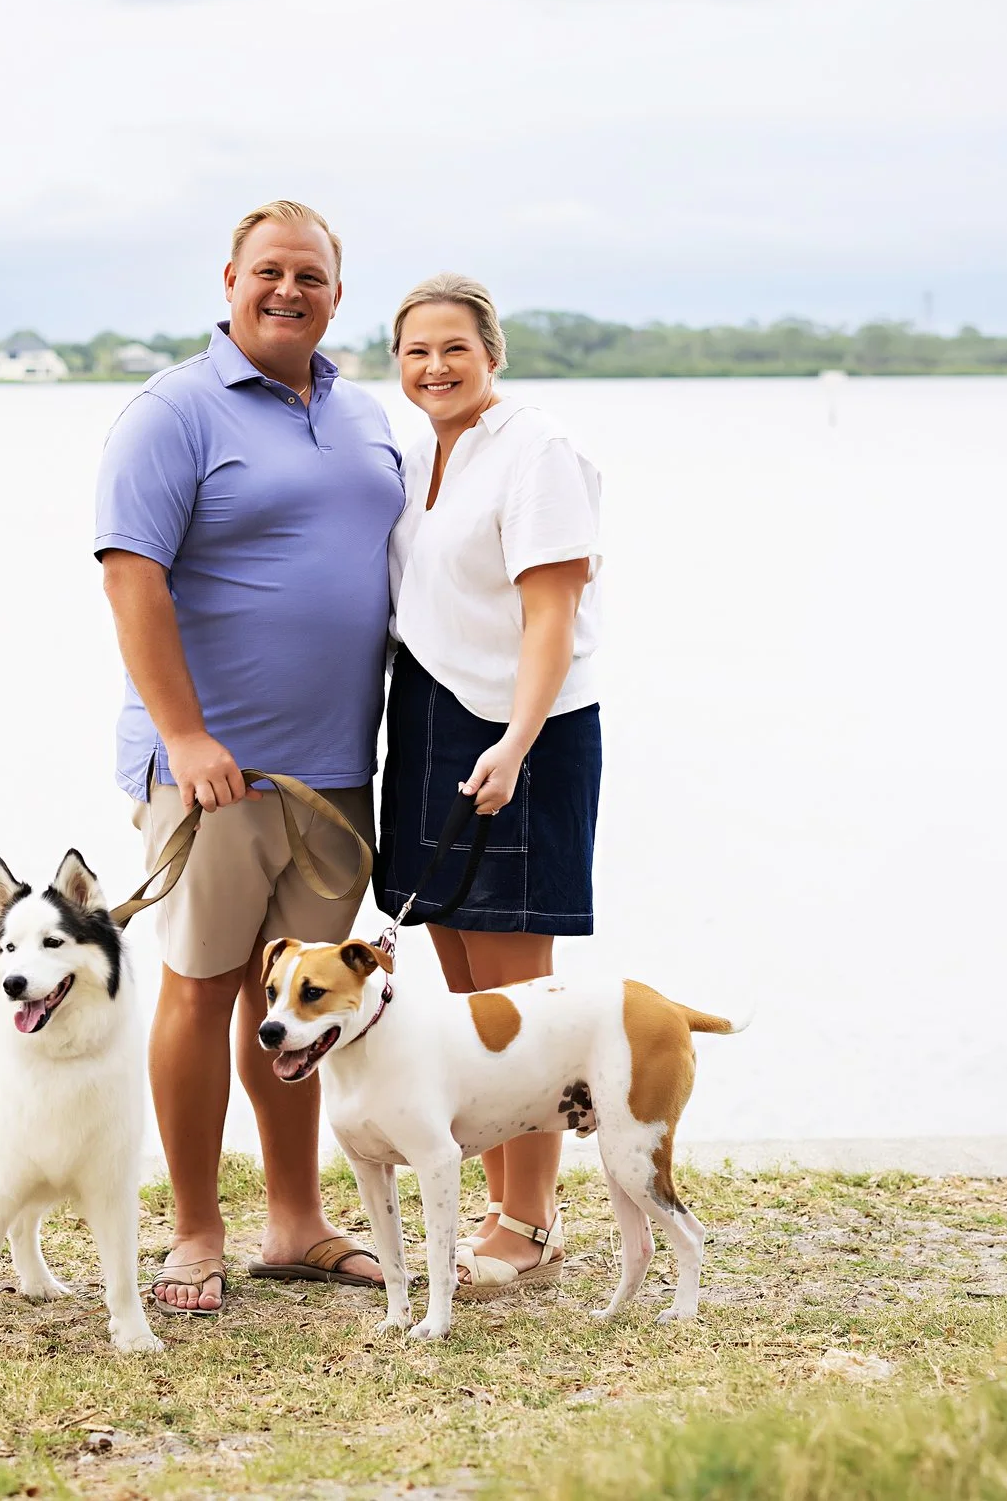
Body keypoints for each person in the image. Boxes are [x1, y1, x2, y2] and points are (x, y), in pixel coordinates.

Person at [94, 201, 403, 1314]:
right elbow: (131, 575)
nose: (288, 290)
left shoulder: (365, 413)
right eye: (268, 272)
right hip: (213, 774)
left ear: (336, 290)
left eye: (310, 275)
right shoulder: (172, 412)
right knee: (202, 987)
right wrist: (184, 739)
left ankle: (295, 1223)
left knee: (302, 1002)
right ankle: (191, 1233)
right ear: (228, 281)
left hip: (335, 776)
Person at [375, 273, 604, 1297]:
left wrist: (513, 742)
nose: (433, 366)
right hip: (428, 716)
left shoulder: (536, 449)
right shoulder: (423, 450)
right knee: (468, 996)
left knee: (525, 1002)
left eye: (453, 348)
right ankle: (504, 1204)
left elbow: (551, 613)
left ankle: (529, 1220)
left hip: (524, 725)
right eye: (415, 351)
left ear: (492, 353)